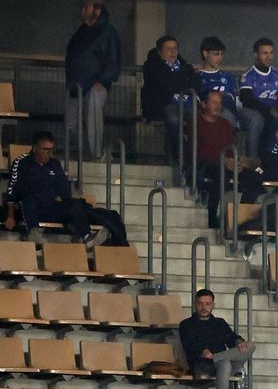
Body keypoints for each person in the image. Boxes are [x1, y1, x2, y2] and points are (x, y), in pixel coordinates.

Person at [4, 130, 128, 248]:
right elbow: (12, 192)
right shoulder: (21, 163)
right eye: (45, 150)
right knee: (29, 199)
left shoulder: (54, 164)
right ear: (35, 148)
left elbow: (65, 194)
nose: (49, 153)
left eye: (51, 150)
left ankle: (87, 237)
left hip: (49, 206)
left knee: (74, 204)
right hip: (28, 208)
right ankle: (33, 232)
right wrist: (10, 216)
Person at [64, 0, 120, 160]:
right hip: (75, 85)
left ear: (97, 9)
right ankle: (88, 153)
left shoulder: (108, 32)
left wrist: (102, 81)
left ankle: (95, 154)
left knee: (92, 123)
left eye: (86, 7)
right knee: (71, 124)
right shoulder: (81, 32)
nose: (83, 11)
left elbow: (113, 60)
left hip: (95, 85)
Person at [176, 287, 254, 389]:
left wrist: (239, 341)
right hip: (201, 364)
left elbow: (231, 338)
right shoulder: (186, 324)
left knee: (250, 346)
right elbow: (189, 346)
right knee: (225, 363)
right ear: (195, 304)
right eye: (200, 303)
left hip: (220, 361)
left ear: (213, 305)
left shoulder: (219, 323)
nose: (204, 307)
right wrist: (202, 352)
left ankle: (216, 358)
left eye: (207, 304)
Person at [140, 35, 199, 163]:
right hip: (163, 104)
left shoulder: (186, 67)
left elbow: (194, 83)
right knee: (173, 120)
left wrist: (173, 84)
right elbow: (161, 83)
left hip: (187, 104)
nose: (173, 52)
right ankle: (182, 155)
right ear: (160, 52)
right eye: (168, 49)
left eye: (175, 48)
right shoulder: (152, 66)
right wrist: (178, 82)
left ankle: (191, 157)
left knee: (200, 120)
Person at [187, 90, 238, 228]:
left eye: (220, 103)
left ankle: (241, 222)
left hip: (225, 165)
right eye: (214, 102)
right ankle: (211, 214)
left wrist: (235, 162)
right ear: (204, 104)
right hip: (204, 166)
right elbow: (196, 152)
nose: (218, 106)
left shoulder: (226, 124)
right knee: (221, 176)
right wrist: (222, 160)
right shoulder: (196, 123)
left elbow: (230, 148)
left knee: (255, 177)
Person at [239, 38, 278, 155]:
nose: (269, 57)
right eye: (265, 53)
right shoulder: (248, 76)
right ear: (256, 55)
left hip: (275, 112)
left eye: (271, 53)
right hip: (254, 112)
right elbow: (247, 101)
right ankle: (253, 160)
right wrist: (269, 110)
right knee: (257, 119)